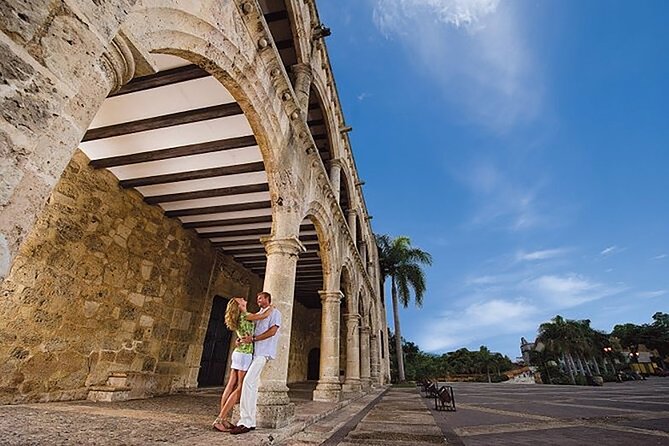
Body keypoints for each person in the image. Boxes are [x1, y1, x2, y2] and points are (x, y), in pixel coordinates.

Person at [212, 296, 274, 432]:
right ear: (239, 305)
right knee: (240, 388)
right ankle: (220, 419)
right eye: (240, 299)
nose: (243, 298)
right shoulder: (246, 315)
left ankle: (223, 419)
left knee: (230, 385)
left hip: (238, 352)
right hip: (245, 355)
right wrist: (272, 307)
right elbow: (264, 315)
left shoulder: (239, 317)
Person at [230, 291, 281, 435]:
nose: (258, 299)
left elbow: (272, 331)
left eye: (261, 298)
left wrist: (253, 339)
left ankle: (245, 421)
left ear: (267, 299)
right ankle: (249, 421)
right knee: (251, 386)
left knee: (247, 382)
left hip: (263, 352)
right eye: (257, 297)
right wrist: (241, 340)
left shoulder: (275, 312)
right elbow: (247, 331)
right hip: (252, 352)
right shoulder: (257, 314)